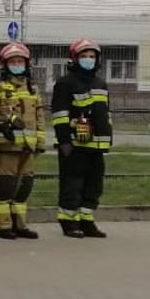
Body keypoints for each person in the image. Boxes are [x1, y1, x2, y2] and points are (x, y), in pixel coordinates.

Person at [0, 42, 44, 239]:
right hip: (4, 148)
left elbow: (39, 117)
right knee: (4, 186)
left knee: (23, 186)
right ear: (5, 64)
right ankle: (1, 226)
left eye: (20, 61)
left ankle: (19, 224)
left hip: (28, 147)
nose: (17, 64)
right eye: (13, 61)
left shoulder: (31, 88)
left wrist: (40, 142)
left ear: (27, 64)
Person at [52, 38, 113, 238]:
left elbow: (106, 115)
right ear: (75, 59)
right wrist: (64, 142)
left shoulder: (101, 83)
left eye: (92, 56)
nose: (88, 59)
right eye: (84, 56)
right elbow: (59, 115)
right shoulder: (65, 83)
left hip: (96, 146)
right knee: (72, 184)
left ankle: (87, 220)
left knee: (94, 185)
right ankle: (69, 221)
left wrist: (107, 140)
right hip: (74, 145)